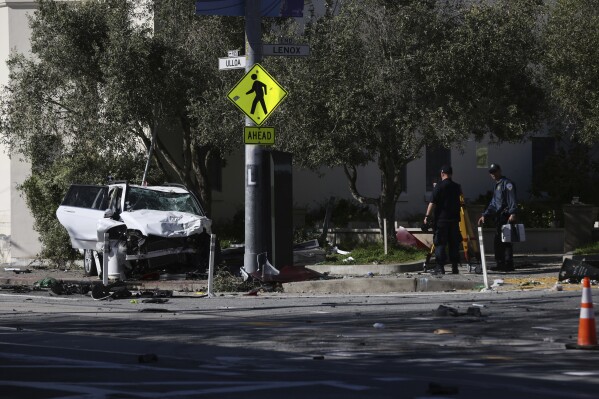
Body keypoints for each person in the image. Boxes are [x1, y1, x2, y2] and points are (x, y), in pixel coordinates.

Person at [477, 163, 518, 271]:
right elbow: (494, 203)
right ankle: (501, 263)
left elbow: (511, 199)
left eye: (495, 171)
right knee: (499, 240)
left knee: (506, 240)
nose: (493, 174)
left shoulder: (507, 184)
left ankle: (508, 264)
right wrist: (485, 214)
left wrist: (513, 213)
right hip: (499, 217)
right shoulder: (497, 185)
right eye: (491, 172)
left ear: (499, 170)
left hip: (506, 216)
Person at [424, 165, 463, 275]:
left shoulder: (439, 186)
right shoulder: (457, 187)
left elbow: (432, 202)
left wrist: (427, 216)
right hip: (454, 220)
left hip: (442, 220)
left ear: (442, 173)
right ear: (451, 173)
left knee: (440, 243)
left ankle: (440, 267)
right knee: (454, 243)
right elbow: (461, 200)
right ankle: (455, 267)